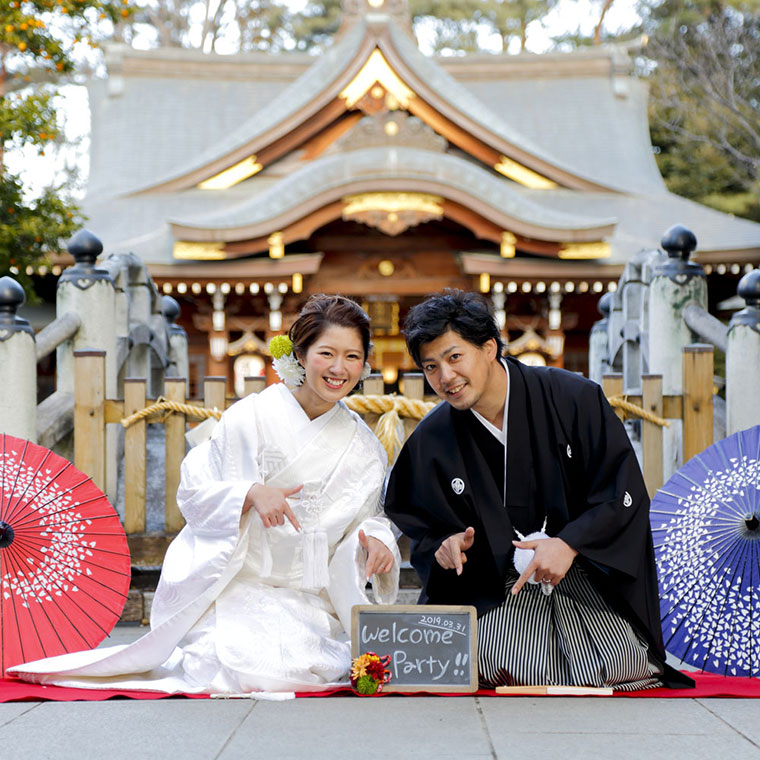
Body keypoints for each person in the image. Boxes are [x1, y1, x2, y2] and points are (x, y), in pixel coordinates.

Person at [11, 295, 400, 695]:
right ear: (300, 354)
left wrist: (380, 541)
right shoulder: (249, 417)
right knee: (238, 667)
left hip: (310, 596)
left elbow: (367, 518)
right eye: (327, 353)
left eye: (352, 356)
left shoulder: (363, 446)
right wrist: (248, 492)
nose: (339, 369)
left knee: (304, 666)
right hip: (236, 586)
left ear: (365, 363)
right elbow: (196, 491)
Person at [384, 290, 693, 690]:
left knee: (616, 662)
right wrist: (444, 544)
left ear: (489, 348)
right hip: (496, 589)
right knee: (492, 660)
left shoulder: (573, 398)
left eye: (454, 357)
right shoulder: (433, 438)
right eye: (431, 366)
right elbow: (418, 522)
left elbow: (622, 493)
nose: (445, 377)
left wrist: (569, 543)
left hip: (580, 574)